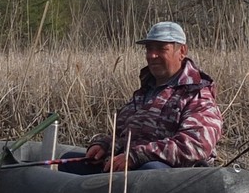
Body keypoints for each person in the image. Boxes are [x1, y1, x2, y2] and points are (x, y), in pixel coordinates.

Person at [58, 21, 223, 173]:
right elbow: (124, 135)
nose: (152, 55)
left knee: (150, 170)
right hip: (132, 168)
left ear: (182, 51)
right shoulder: (144, 93)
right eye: (149, 49)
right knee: (68, 162)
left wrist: (137, 156)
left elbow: (196, 145)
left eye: (161, 49)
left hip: (174, 179)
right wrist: (105, 145)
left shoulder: (197, 94)